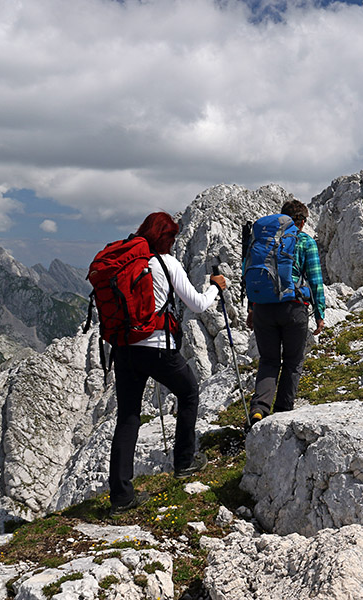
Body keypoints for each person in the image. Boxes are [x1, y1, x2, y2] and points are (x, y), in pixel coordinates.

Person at [109, 211, 226, 515]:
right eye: (172, 237)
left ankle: (121, 496)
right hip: (158, 348)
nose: (174, 243)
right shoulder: (166, 263)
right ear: (167, 238)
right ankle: (184, 462)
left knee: (128, 417)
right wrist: (216, 286)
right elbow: (198, 304)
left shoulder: (126, 261)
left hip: (124, 348)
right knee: (188, 393)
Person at [247, 199, 325, 422]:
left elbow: (251, 274)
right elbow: (315, 280)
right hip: (293, 308)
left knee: (269, 360)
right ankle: (281, 412)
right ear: (301, 221)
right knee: (292, 361)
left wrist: (251, 309)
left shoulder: (263, 241)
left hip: (263, 307)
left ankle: (259, 409)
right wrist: (320, 313)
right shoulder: (305, 242)